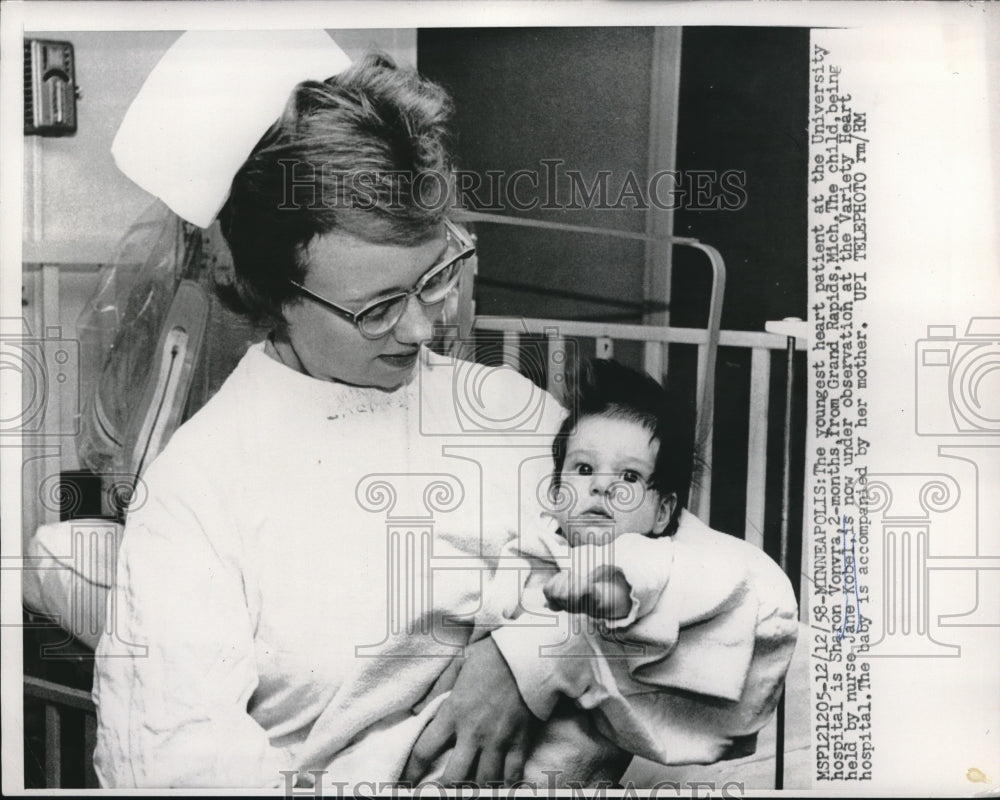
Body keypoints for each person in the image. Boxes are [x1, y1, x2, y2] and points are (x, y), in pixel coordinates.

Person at [93, 37, 572, 789]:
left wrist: (528, 661)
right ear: (271, 294)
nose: (424, 329)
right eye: (378, 307)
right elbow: (175, 765)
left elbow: (670, 568)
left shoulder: (505, 410)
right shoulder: (200, 492)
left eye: (436, 276)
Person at [450, 358, 799, 776]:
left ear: (662, 512)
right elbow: (491, 608)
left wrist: (603, 593)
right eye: (583, 469)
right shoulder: (536, 545)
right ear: (557, 492)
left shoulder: (641, 550)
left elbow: (640, 580)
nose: (602, 485)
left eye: (630, 477)